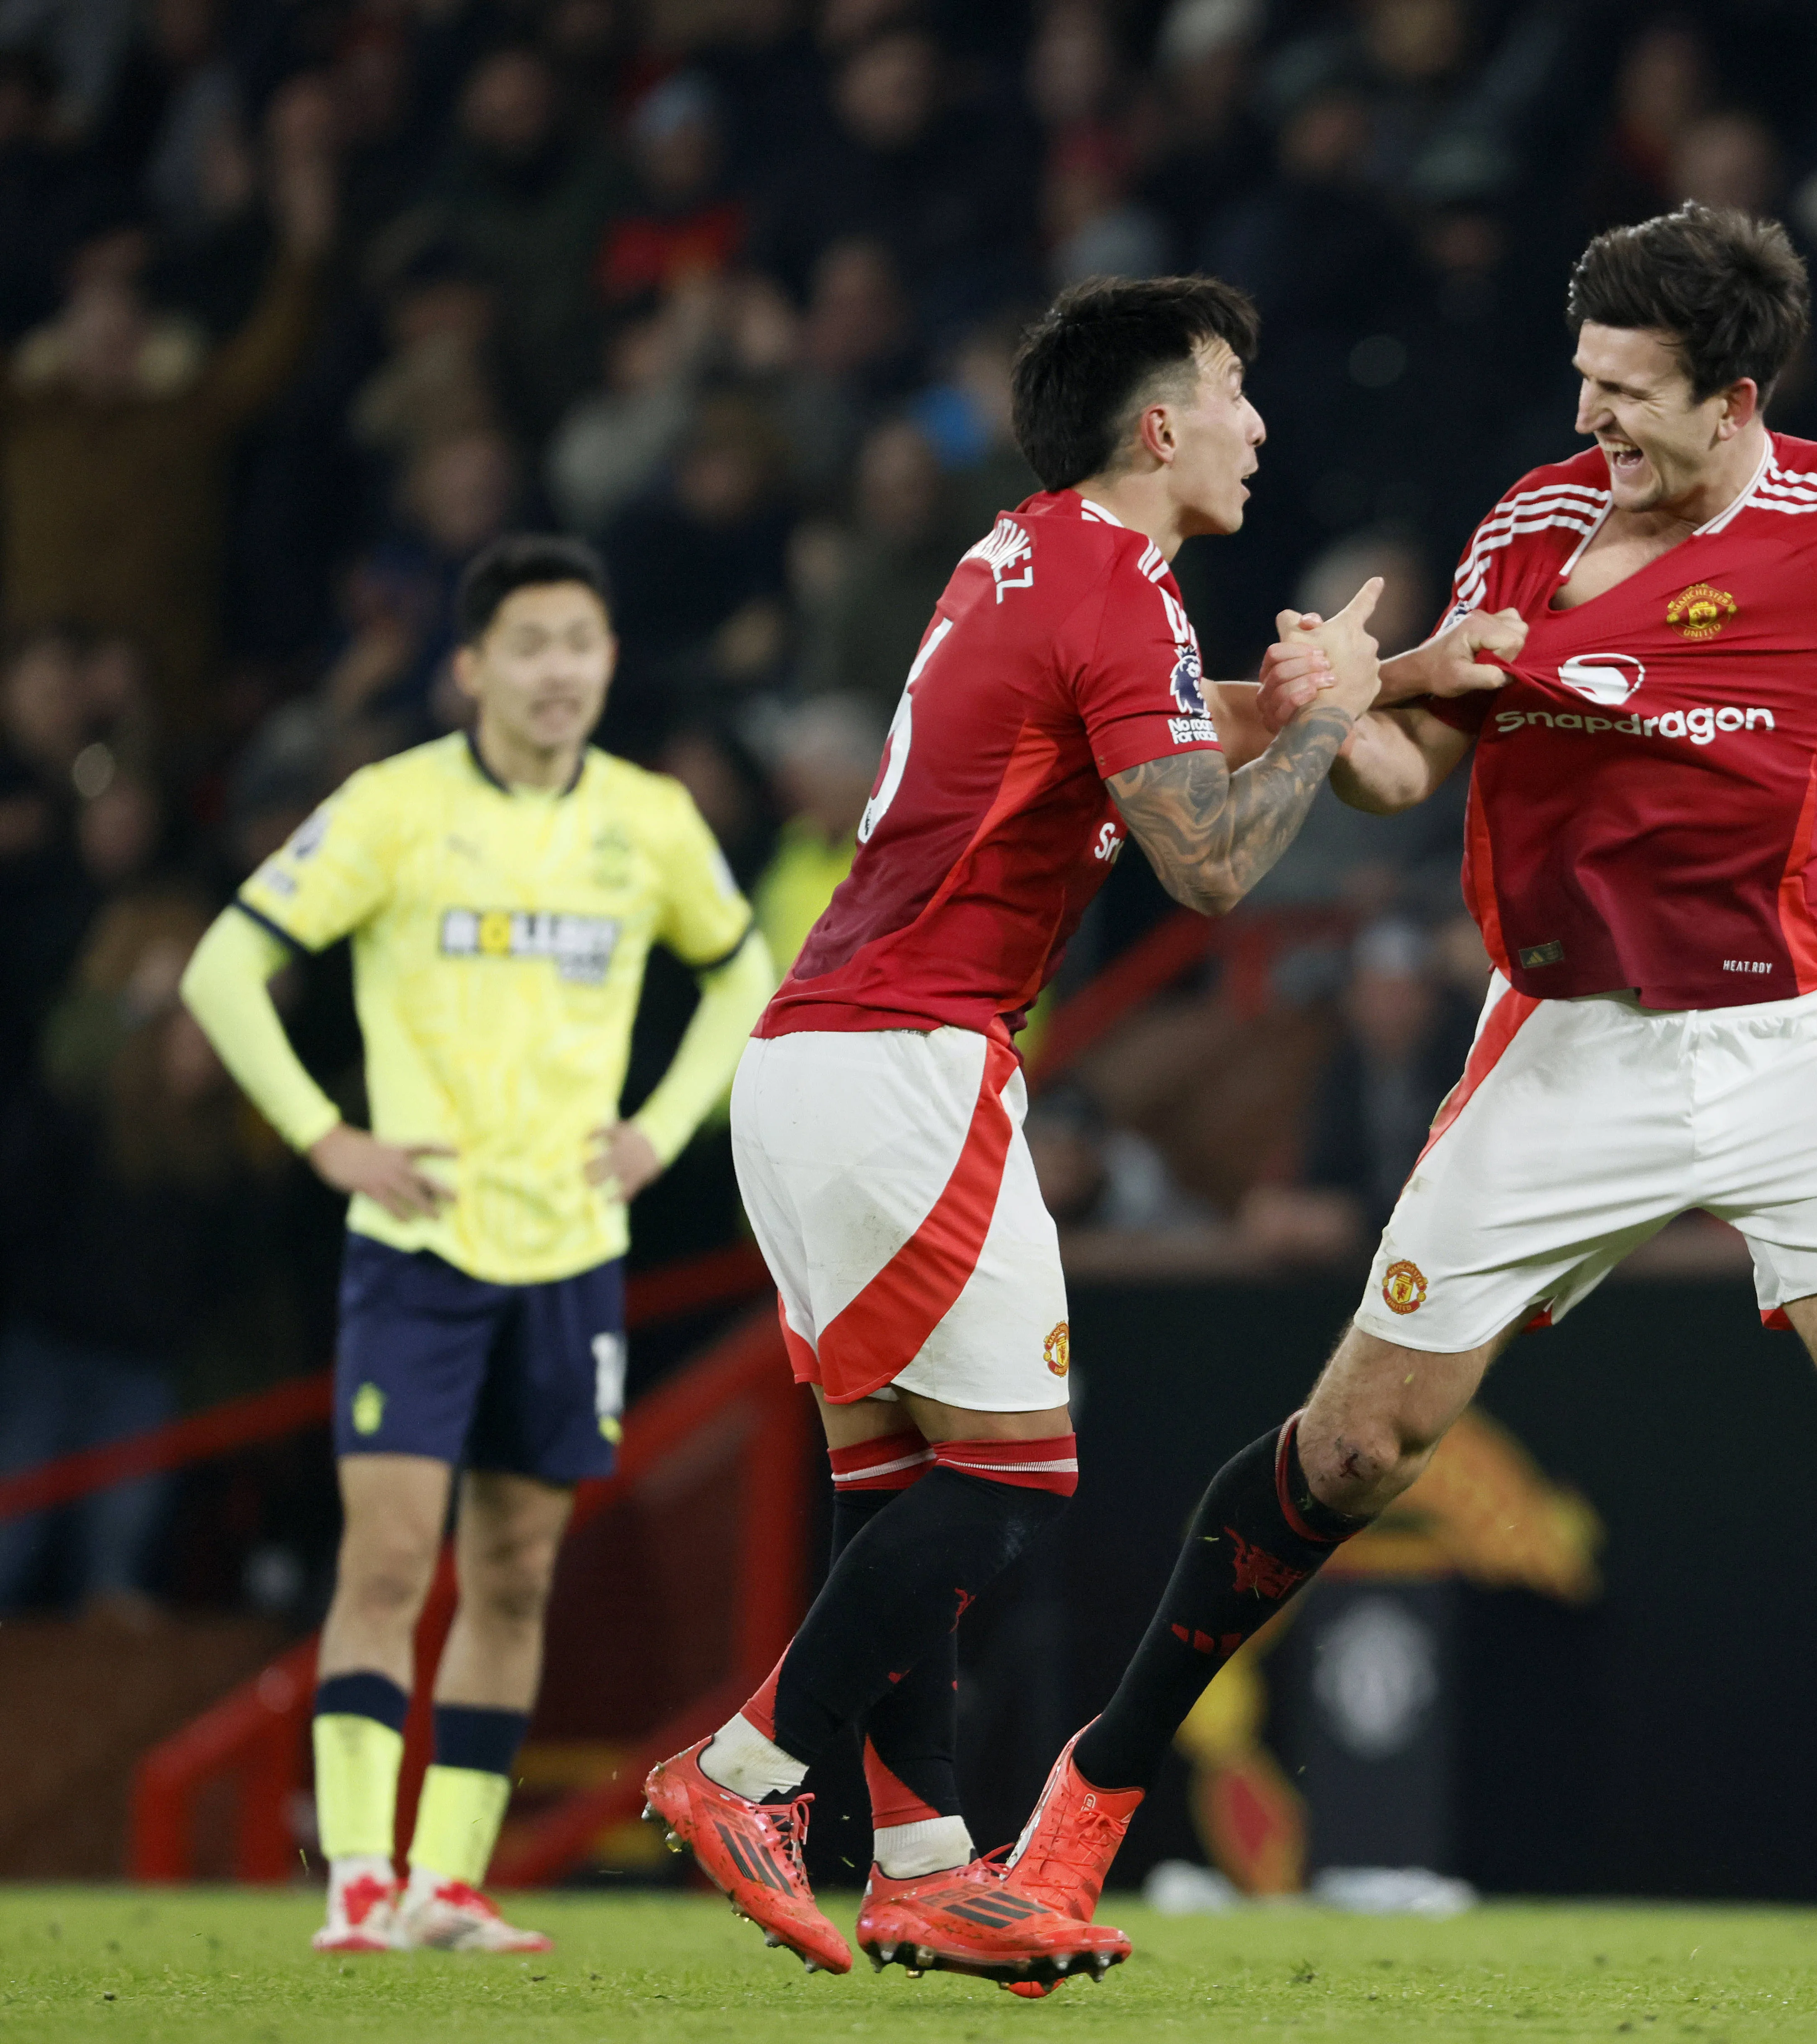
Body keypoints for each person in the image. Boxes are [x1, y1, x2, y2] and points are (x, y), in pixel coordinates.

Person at [996, 204, 1817, 2017]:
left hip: (1797, 1044)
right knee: (1359, 1450)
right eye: (1582, 377)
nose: (1589, 415)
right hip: (1564, 1044)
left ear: (1733, 396)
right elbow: (1411, 767)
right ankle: (1089, 1797)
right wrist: (1336, 709)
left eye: (1625, 389)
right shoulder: (1532, 525)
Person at [637, 275, 1389, 1988]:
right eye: (1233, 389)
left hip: (826, 1058)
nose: (1258, 423)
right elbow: (1210, 862)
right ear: (1158, 424)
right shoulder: (1119, 586)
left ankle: (926, 1869)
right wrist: (1342, 709)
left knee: (903, 1488)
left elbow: (1145, 732)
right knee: (1014, 1475)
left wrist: (1353, 682)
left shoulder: (1030, 556)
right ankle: (745, 1770)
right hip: (905, 1058)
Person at [178, 537, 774, 1955]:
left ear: (607, 662)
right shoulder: (394, 808)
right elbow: (222, 968)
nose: (559, 669)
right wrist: (327, 1138)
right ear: (471, 668)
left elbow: (745, 969)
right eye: (530, 645)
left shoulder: (647, 821)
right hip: (419, 1250)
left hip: (570, 1254)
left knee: (513, 1574)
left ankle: (445, 1883)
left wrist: (660, 1130)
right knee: (388, 1562)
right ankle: (356, 1877)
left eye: (580, 643)